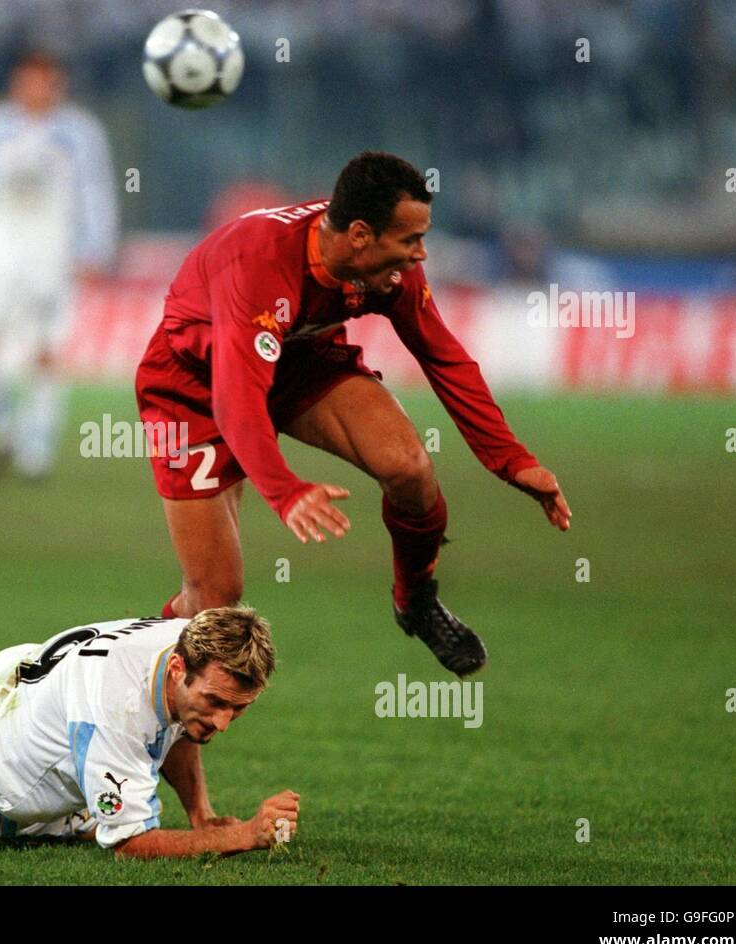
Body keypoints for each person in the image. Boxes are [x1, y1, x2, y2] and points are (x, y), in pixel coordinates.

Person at [135, 151, 571, 676]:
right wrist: (285, 488)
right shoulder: (258, 264)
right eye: (410, 240)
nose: (420, 254)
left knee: (408, 465)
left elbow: (444, 356)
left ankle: (416, 599)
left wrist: (509, 459)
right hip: (194, 388)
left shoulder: (388, 271)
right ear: (361, 235)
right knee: (214, 603)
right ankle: (131, 676)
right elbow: (236, 398)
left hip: (300, 361)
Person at [0, 607, 300, 859]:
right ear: (179, 669)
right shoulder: (114, 715)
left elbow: (174, 723)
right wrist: (240, 836)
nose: (223, 722)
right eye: (217, 703)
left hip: (9, 678)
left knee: (151, 731)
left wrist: (201, 812)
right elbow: (130, 845)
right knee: (83, 824)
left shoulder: (182, 636)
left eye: (238, 709)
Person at [0, 50, 118, 479]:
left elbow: (96, 192)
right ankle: (4, 429)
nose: (36, 88)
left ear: (59, 85)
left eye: (46, 80)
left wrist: (95, 249)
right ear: (16, 82)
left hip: (51, 261)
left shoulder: (79, 133)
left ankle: (36, 451)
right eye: (29, 79)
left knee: (45, 351)